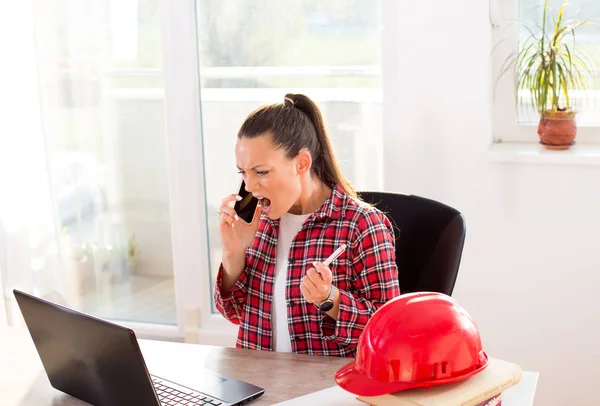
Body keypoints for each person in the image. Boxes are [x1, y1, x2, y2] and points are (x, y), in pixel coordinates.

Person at [215, 93, 400, 358]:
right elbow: (232, 313)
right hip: (257, 386)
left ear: (301, 163)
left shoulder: (361, 225)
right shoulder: (258, 223)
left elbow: (388, 334)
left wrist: (330, 299)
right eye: (243, 173)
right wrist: (233, 254)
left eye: (261, 172)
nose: (250, 186)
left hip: (324, 391)